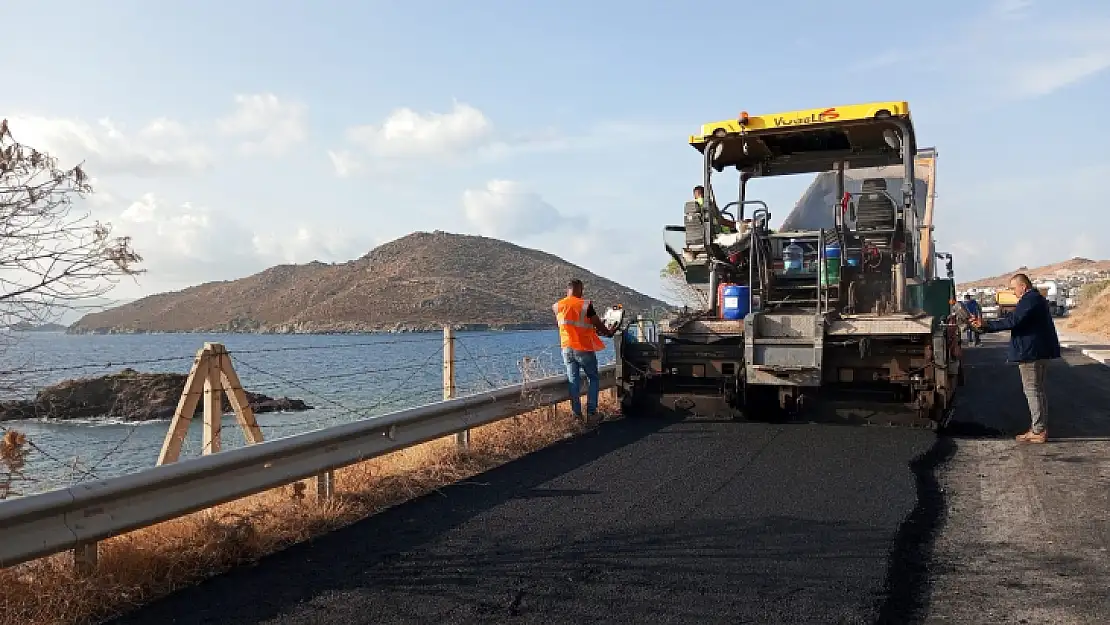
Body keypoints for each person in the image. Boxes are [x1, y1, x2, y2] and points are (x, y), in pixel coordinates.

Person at [971, 273, 1060, 443]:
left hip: (1030, 352)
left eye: (1014, 288)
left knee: (1032, 390)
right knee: (1038, 390)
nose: (1013, 292)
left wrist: (986, 325)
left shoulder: (1029, 299)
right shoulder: (1035, 299)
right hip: (1038, 351)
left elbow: (1013, 320)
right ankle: (1039, 427)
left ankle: (1038, 430)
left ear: (1023, 286)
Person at [552, 279, 618, 424]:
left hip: (566, 348)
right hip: (583, 348)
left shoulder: (557, 306)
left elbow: (570, 325)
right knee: (593, 378)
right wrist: (608, 331)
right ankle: (592, 412)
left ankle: (577, 415)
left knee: (573, 381)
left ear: (567, 290)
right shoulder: (585, 304)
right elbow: (597, 323)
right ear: (579, 289)